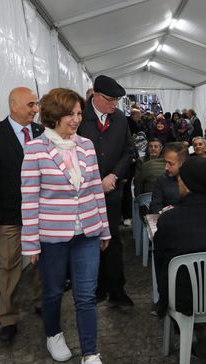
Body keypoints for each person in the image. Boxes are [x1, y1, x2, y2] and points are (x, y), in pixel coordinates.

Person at [20, 88, 111, 364]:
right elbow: (29, 198)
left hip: (88, 231)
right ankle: (53, 333)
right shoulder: (35, 149)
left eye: (79, 114)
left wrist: (104, 229)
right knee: (53, 291)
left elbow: (96, 189)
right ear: (54, 115)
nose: (76, 119)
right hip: (51, 236)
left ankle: (90, 356)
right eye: (70, 114)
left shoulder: (85, 145)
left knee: (85, 295)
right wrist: (30, 244)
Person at [0, 86, 43, 342]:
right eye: (30, 105)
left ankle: (42, 303)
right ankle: (8, 319)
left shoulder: (41, 133)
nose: (36, 110)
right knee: (9, 268)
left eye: (36, 105)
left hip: (40, 213)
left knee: (43, 263)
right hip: (8, 216)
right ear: (13, 105)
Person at [153, 156, 206, 317]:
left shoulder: (169, 219)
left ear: (186, 185)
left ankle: (182, 332)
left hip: (181, 300)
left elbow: (160, 258)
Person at [78, 75, 135, 307]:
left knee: (112, 239)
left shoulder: (120, 119)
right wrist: (94, 182)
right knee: (89, 240)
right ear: (96, 97)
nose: (114, 105)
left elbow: (129, 151)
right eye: (110, 100)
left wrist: (114, 175)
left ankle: (116, 289)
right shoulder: (79, 118)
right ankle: (95, 288)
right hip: (84, 194)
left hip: (111, 192)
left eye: (116, 101)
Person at [150, 142, 206, 213]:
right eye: (165, 162)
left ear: (183, 163)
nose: (166, 167)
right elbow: (155, 208)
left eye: (170, 164)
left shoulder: (198, 176)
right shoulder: (162, 180)